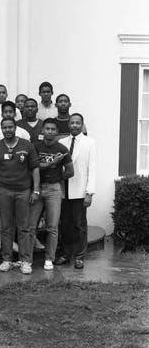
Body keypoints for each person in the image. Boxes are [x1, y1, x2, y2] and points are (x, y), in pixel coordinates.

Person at [0, 117, 40, 275]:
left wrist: (35, 190)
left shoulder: (27, 145)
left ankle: (25, 261)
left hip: (23, 191)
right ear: (1, 129)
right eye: (5, 128)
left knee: (24, 227)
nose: (8, 130)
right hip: (3, 191)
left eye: (10, 127)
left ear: (15, 128)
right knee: (6, 227)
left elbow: (35, 168)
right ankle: (7, 260)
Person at [28, 118, 74, 270]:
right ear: (42, 130)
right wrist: (52, 163)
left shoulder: (62, 149)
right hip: (37, 188)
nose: (50, 132)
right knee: (30, 225)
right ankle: (27, 259)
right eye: (47, 129)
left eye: (53, 129)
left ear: (57, 132)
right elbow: (33, 168)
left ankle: (49, 258)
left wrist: (57, 177)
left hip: (54, 189)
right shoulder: (35, 147)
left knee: (52, 227)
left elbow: (70, 171)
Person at [56, 113, 97, 269]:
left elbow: (92, 169)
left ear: (82, 124)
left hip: (80, 190)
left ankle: (79, 256)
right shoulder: (62, 142)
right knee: (65, 224)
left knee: (80, 225)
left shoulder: (90, 143)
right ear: (68, 125)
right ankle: (65, 254)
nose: (74, 125)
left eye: (77, 123)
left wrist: (89, 192)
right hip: (63, 190)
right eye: (72, 123)